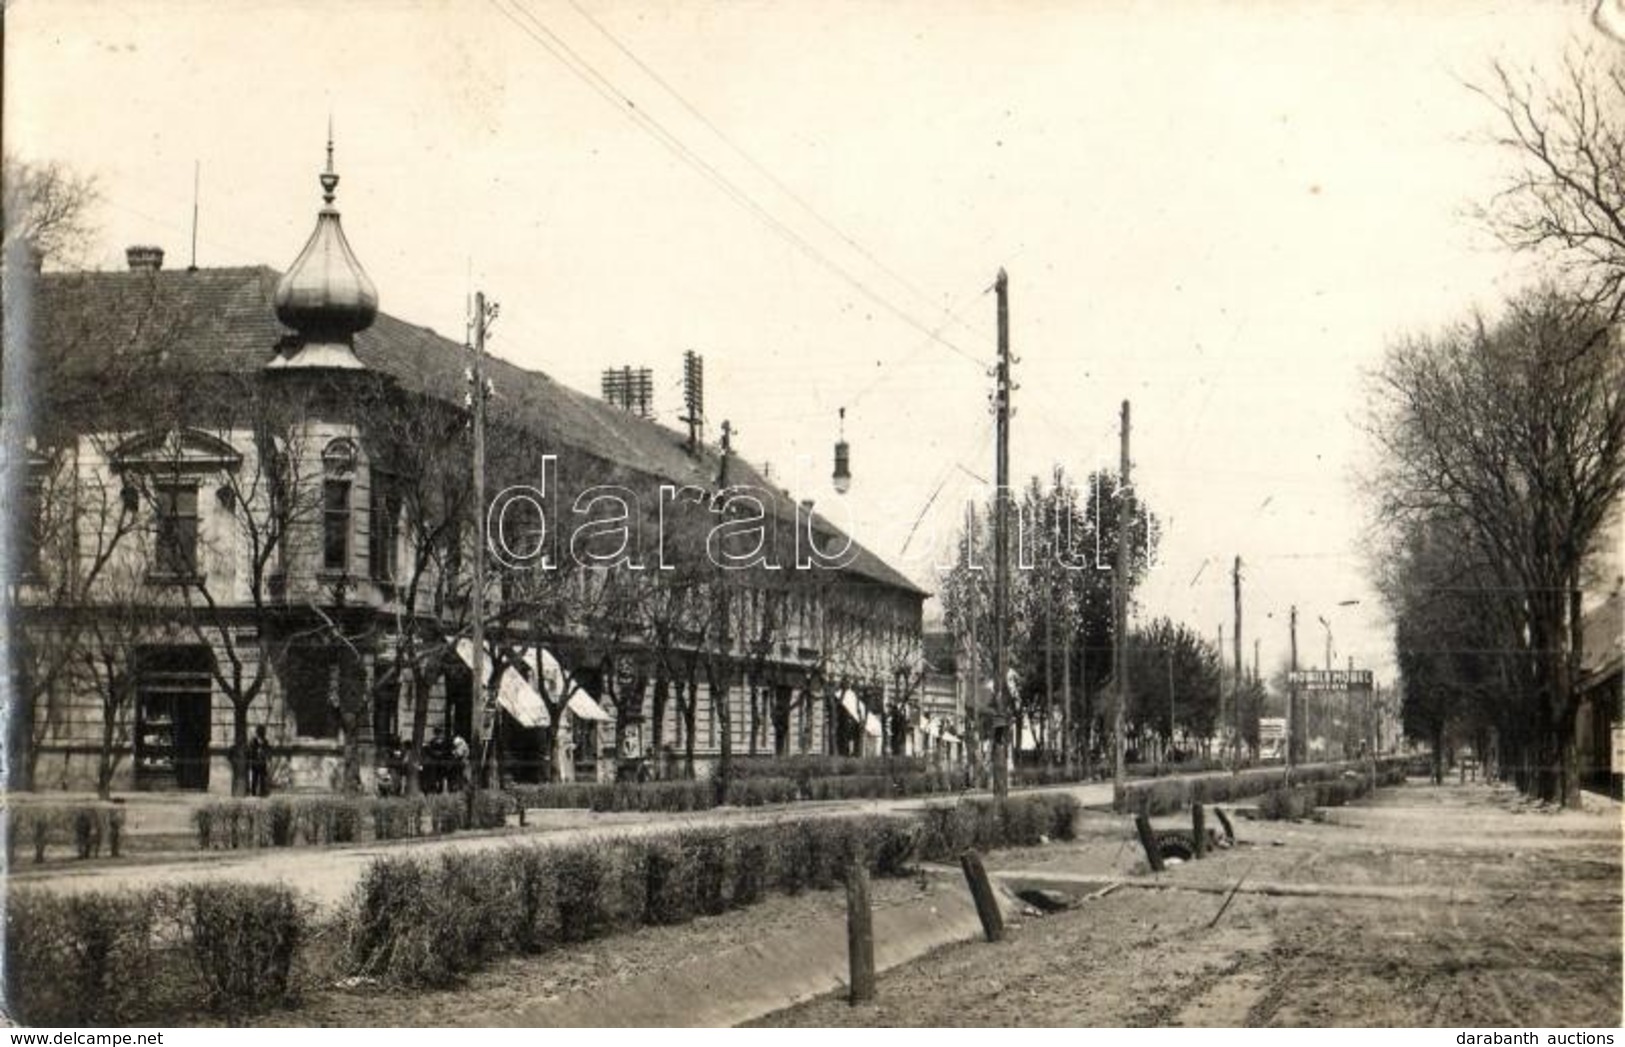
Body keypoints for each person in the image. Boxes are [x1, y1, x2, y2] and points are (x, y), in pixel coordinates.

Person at [422, 726, 449, 794]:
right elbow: (430, 750)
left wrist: (441, 753)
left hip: (442, 761)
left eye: (439, 732)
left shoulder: (445, 741)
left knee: (441, 776)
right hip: (434, 761)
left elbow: (447, 751)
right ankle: (434, 788)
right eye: (436, 732)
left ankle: (441, 789)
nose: (438, 734)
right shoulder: (432, 741)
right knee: (434, 775)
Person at [247, 724, 271, 798]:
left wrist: (268, 758)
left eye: (262, 732)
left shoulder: (265, 741)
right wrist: (251, 759)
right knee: (255, 778)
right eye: (260, 732)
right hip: (255, 762)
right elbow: (250, 751)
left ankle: (262, 792)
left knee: (262, 778)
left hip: (262, 762)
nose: (261, 734)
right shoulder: (253, 741)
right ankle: (253, 793)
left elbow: (268, 750)